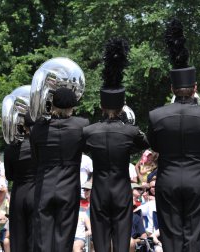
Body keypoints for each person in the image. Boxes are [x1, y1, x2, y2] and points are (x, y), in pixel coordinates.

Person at [147, 18, 200, 251]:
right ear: (195, 87)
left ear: (172, 89)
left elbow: (154, 145)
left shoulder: (157, 115)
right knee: (196, 233)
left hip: (168, 179)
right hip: (198, 179)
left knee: (171, 235)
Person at [83, 38, 148, 252]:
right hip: (122, 190)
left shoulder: (90, 131)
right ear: (122, 107)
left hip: (100, 190)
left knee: (100, 240)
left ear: (101, 106)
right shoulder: (130, 131)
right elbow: (145, 143)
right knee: (122, 239)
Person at [30, 87, 89, 252]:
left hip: (44, 187)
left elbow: (35, 158)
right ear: (72, 106)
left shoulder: (37, 128)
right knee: (64, 239)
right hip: (69, 188)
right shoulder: (82, 125)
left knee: (42, 240)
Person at [4, 112, 36, 252]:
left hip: (18, 193)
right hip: (35, 191)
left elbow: (9, 176)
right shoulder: (38, 145)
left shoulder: (10, 148)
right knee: (34, 235)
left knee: (17, 235)